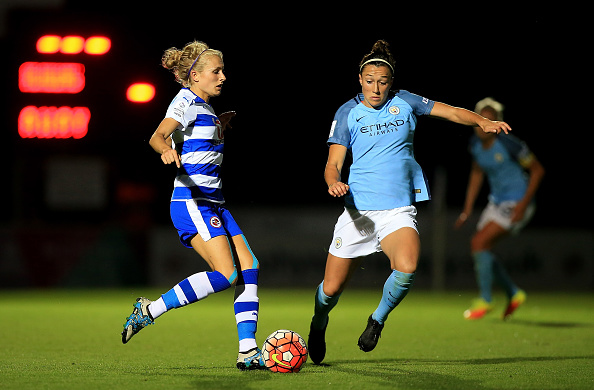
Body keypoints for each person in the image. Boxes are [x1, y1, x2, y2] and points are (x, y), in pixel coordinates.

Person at [308, 40, 512, 365]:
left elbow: (452, 111)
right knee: (330, 290)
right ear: (360, 79)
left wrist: (481, 122)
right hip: (358, 213)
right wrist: (334, 183)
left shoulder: (405, 102)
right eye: (370, 80)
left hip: (397, 210)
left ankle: (377, 319)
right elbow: (333, 164)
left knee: (407, 266)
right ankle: (318, 323)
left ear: (391, 82)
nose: (376, 88)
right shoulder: (347, 112)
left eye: (383, 81)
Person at [121, 40, 264, 371]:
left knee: (250, 268)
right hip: (192, 201)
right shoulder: (185, 99)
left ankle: (247, 351)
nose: (223, 76)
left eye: (223, 70)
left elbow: (197, 142)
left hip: (214, 203)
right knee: (227, 274)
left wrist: (219, 127)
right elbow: (159, 135)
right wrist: (165, 150)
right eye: (216, 71)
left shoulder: (205, 107)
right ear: (195, 75)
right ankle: (151, 310)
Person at [454, 97, 545, 320]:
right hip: (496, 202)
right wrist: (467, 209)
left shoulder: (509, 144)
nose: (484, 124)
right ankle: (513, 293)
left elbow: (538, 170)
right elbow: (476, 173)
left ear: (498, 124)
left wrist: (523, 205)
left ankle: (486, 299)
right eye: (481, 118)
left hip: (516, 202)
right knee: (480, 248)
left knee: (479, 243)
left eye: (490, 119)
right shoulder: (475, 145)